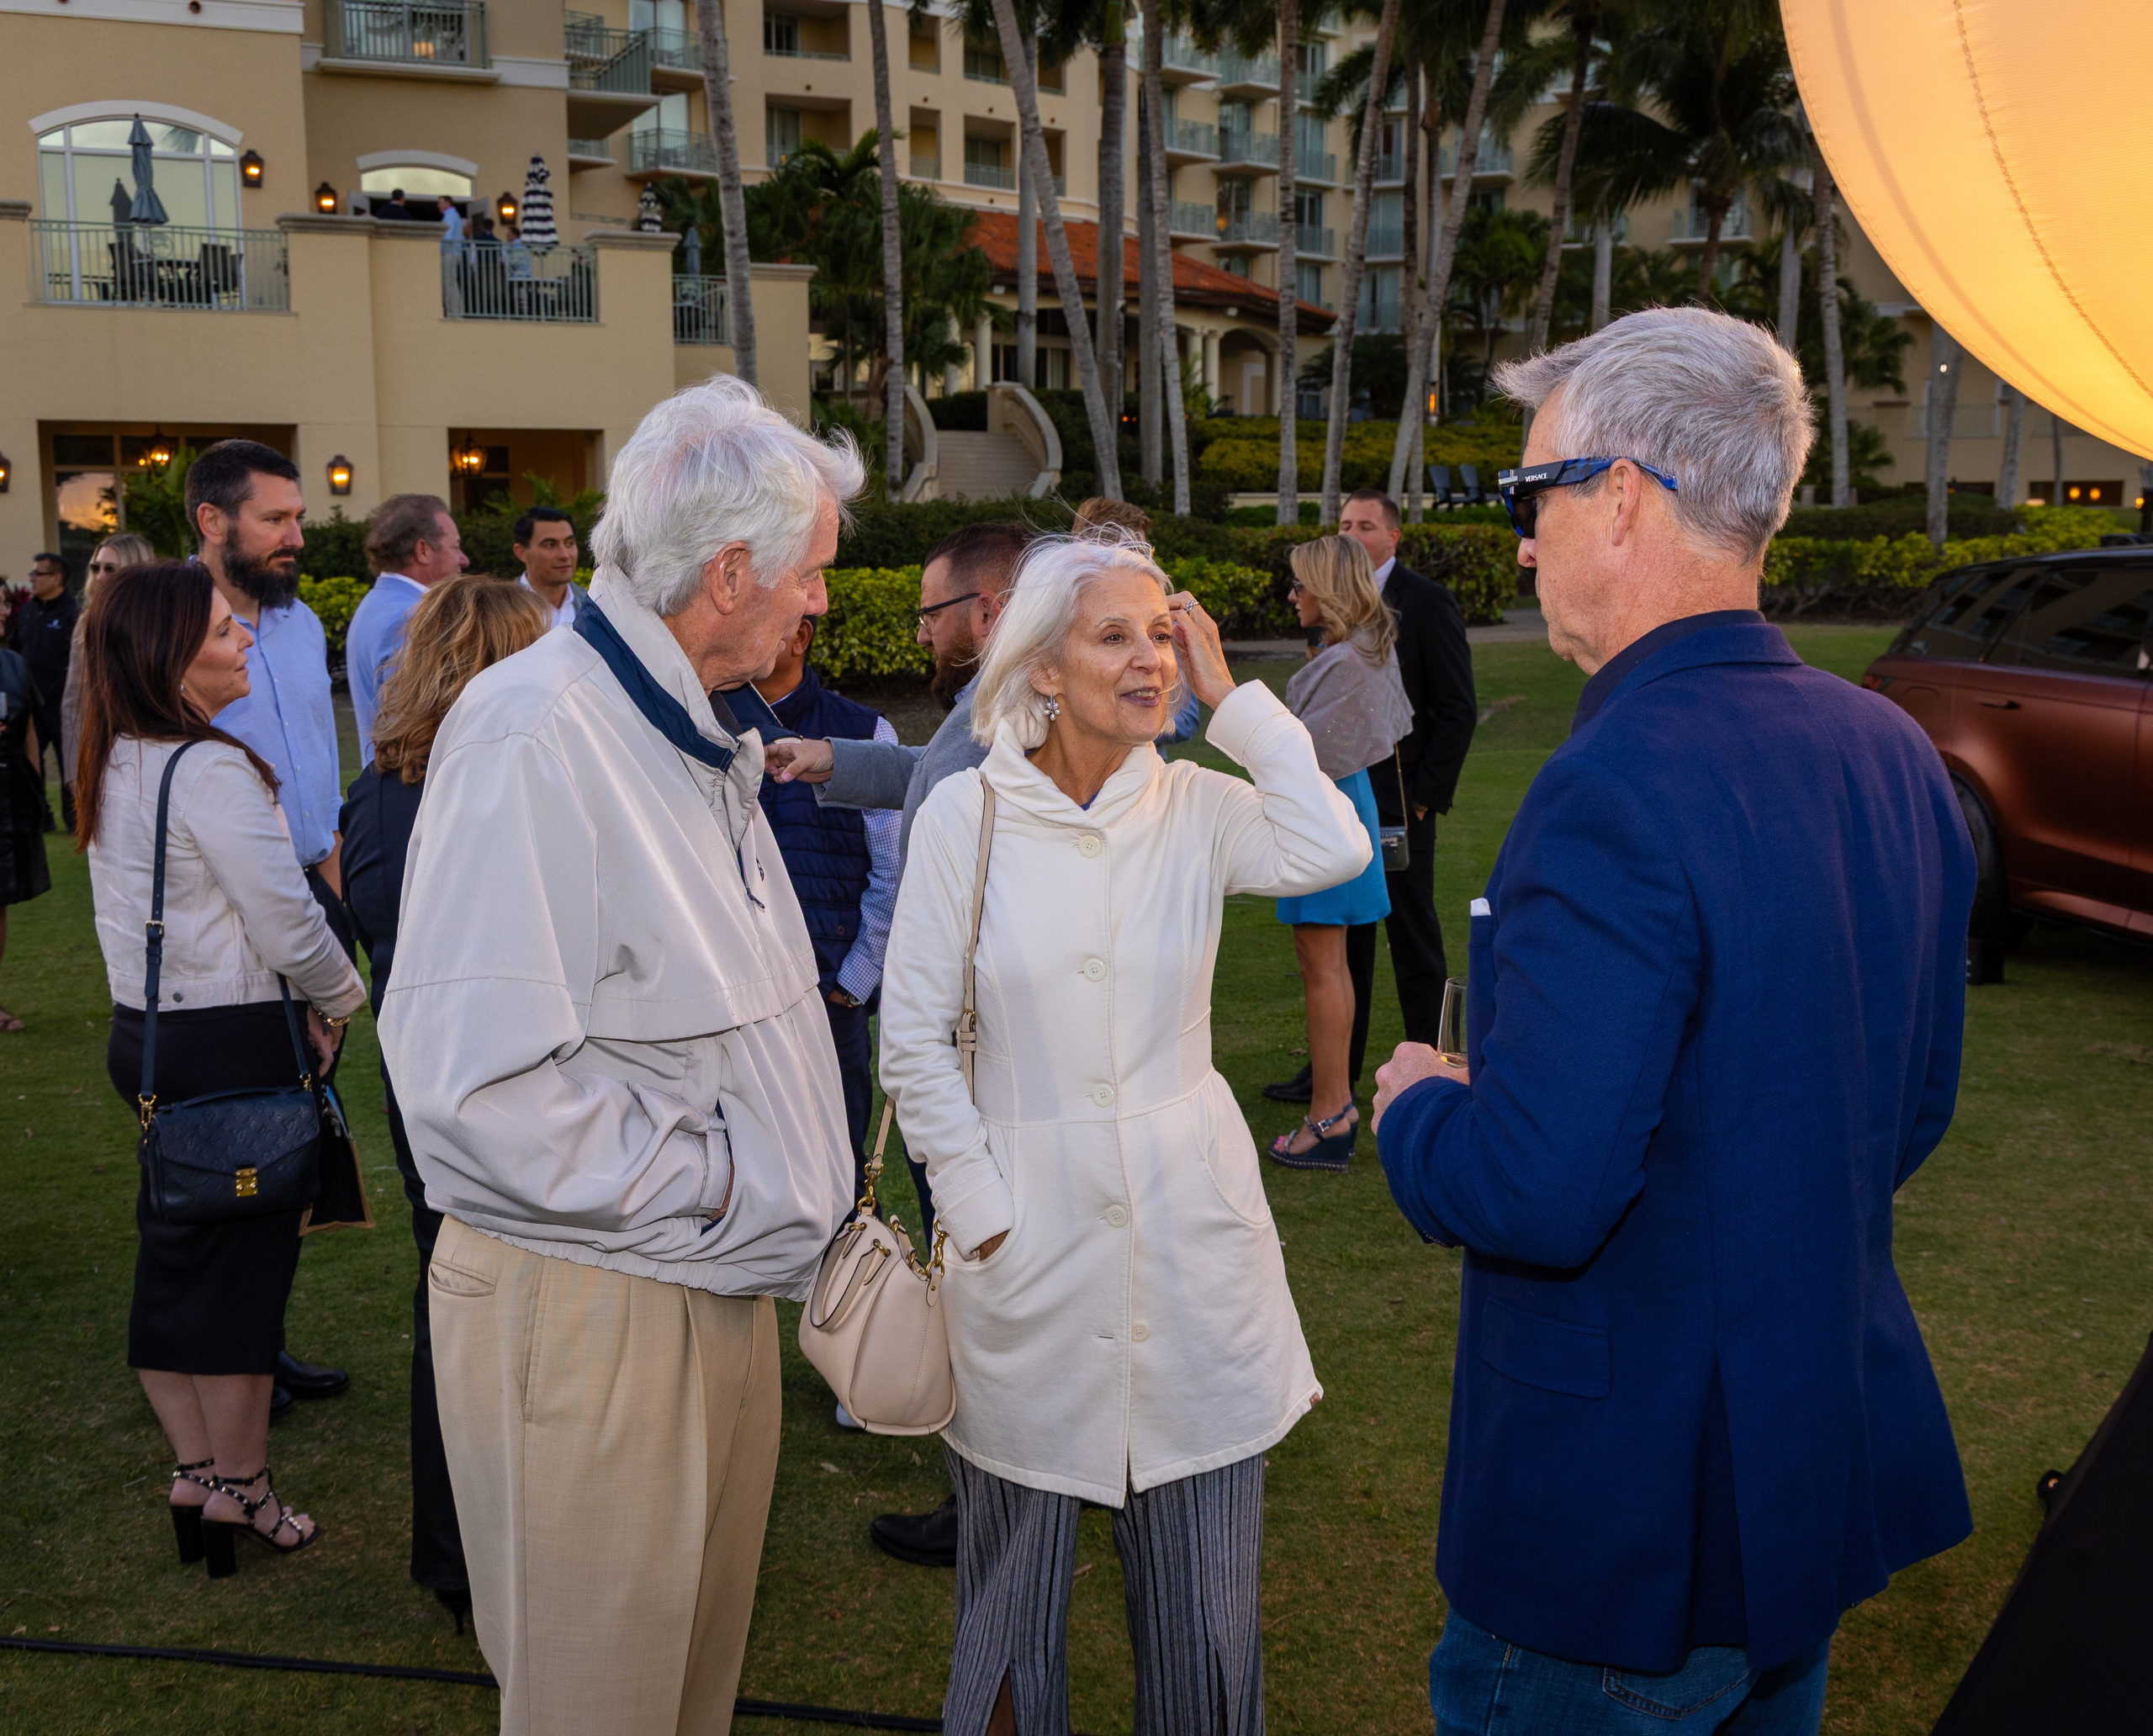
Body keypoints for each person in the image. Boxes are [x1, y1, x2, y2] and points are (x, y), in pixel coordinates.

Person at [1372, 308, 1976, 1736]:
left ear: (1624, 494)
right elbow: (1910, 1104)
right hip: (1796, 1473)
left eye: (1531, 495)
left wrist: (1415, 1106)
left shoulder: (1616, 783)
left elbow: (1538, 1184)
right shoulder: (1887, 745)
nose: (1520, 540)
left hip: (1615, 1522)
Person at [378, 375, 861, 1736]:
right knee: (599, 1702)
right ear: (727, 571)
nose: (820, 602)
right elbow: (474, 1090)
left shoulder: (688, 729)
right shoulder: (537, 731)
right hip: (593, 1304)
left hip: (702, 1288)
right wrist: (729, 1177)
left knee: (686, 1693)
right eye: (811, 572)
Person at [877, 535, 1367, 1736]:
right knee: (1008, 1608)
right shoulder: (965, 816)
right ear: (1042, 666)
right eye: (1116, 635)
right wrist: (986, 1216)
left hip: (1195, 1264)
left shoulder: (1197, 804)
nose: (1149, 657)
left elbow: (1334, 847)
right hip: (1022, 1267)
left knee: (1205, 1619)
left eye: (1164, 630)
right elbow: (915, 1043)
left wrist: (1232, 698)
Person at [763, 516, 1203, 1567]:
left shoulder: (1038, 707)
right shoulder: (997, 704)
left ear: (993, 611)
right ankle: (1025, 1474)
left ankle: (1001, 1496)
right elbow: (940, 777)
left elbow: (1032, 790)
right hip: (973, 1023)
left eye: (932, 611)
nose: (921, 633)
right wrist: (844, 761)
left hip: (984, 1037)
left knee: (987, 1266)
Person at [77, 559, 367, 1576]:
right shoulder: (207, 769)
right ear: (168, 655)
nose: (243, 641)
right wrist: (343, 995)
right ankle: (243, 1489)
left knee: (174, 1261)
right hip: (230, 1039)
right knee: (243, 1278)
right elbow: (286, 916)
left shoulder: (116, 757)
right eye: (219, 633)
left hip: (150, 1036)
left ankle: (198, 1473)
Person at [340, 575, 549, 1633]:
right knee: (498, 1320)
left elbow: (371, 923)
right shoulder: (500, 783)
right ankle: (489, 1548)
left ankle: (455, 1552)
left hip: (419, 1083)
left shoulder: (378, 787)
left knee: (447, 1311)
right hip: (496, 1089)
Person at [184, 438, 353, 1412]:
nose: (298, 536)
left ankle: (259, 1344)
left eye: (298, 517)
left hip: (307, 887)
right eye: (276, 520)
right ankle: (228, 1355)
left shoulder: (295, 623)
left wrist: (333, 881)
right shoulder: (173, 623)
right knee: (235, 1139)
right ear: (214, 522)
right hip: (227, 912)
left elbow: (319, 761)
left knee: (297, 1123)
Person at [1264, 490, 1477, 1106]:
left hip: (1399, 803)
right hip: (1347, 798)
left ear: (1393, 536)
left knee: (1413, 938)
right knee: (1343, 946)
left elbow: (1456, 709)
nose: (1353, 532)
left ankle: (1429, 1066)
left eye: (1365, 524)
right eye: (1345, 523)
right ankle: (1335, 1077)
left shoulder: (1427, 603)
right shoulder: (1339, 624)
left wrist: (1424, 800)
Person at [1265, 536, 1412, 1172]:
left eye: (1300, 584)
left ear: (1329, 589)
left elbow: (1303, 750)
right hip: (1340, 805)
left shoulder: (1351, 660)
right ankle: (1336, 1108)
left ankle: (1330, 1116)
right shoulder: (1358, 651)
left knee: (1322, 962)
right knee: (1329, 962)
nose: (1292, 595)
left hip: (1330, 809)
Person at [749, 612, 900, 1193]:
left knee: (839, 1175)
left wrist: (854, 983)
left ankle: (848, 1286)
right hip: (730, 996)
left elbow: (895, 867)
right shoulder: (697, 721)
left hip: (829, 996)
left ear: (801, 637)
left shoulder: (863, 730)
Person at [346, 495, 468, 763]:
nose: (464, 559)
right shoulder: (414, 616)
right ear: (423, 550)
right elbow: (419, 727)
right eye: (455, 547)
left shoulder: (374, 604)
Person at [62, 533, 156, 799]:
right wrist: (74, 772)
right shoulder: (87, 623)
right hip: (107, 754)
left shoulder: (165, 620)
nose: (100, 576)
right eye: (96, 568)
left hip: (163, 748)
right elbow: (74, 701)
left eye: (110, 569)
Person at [0, 631, 53, 1031]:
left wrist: (35, 792)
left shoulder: (14, 665)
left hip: (9, 796)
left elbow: (30, 731)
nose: (4, 612)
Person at [9, 550, 77, 830]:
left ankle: (75, 821)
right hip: (30, 704)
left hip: (61, 703)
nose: (32, 579)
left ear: (57, 578)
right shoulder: (27, 612)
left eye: (38, 573)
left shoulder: (73, 612)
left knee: (69, 765)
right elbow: (15, 651)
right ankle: (40, 818)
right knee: (29, 764)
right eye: (32, 574)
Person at [513, 505, 588, 628]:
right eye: (549, 545)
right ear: (521, 552)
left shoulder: (590, 605)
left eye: (569, 543)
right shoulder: (499, 609)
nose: (564, 555)